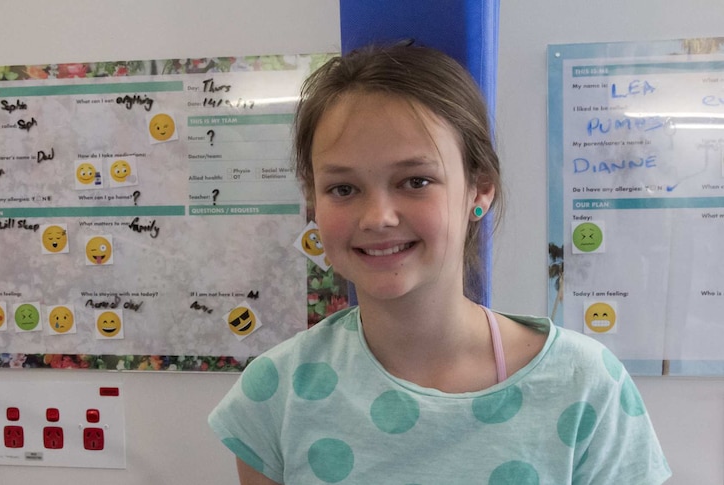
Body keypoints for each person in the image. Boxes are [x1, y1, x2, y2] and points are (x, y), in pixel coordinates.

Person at [209, 44, 670, 485]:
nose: (378, 218)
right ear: (314, 198)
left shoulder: (585, 385)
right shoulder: (275, 392)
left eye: (415, 180)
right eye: (343, 189)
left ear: (479, 188)